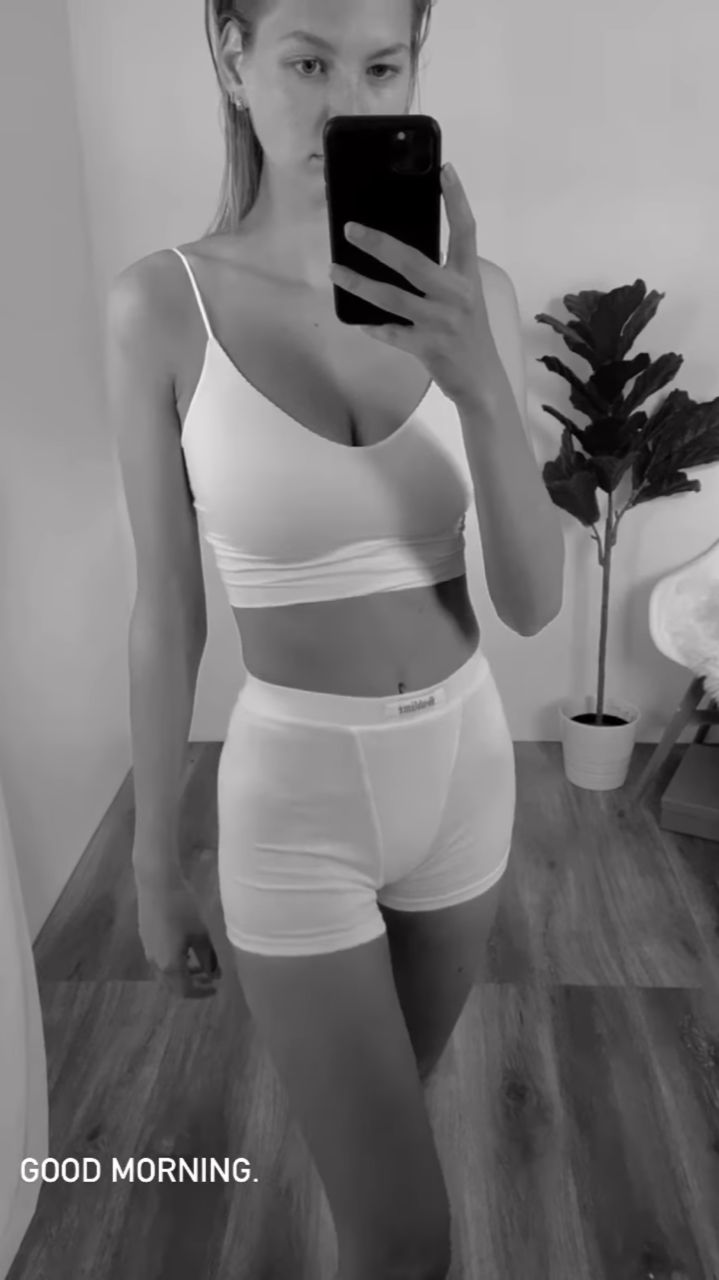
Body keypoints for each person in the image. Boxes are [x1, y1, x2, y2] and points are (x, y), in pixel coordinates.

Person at [107, 1, 519, 1277]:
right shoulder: (161, 305)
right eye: (305, 61)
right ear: (232, 59)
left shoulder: (478, 302)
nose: (347, 101)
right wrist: (152, 860)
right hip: (295, 804)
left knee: (378, 1175)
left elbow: (535, 601)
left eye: (382, 65)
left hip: (466, 777)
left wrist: (478, 381)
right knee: (408, 1235)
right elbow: (167, 605)